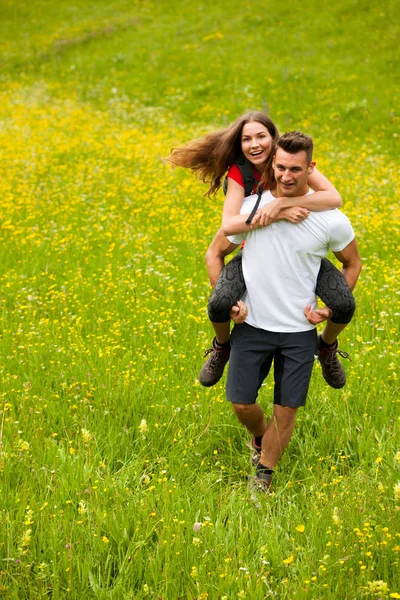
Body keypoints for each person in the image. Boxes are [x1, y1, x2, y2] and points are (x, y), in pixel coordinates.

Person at [166, 111, 355, 389]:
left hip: (300, 253)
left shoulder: (289, 160)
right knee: (218, 303)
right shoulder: (239, 172)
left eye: (261, 136)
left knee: (343, 304)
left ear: (273, 138)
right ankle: (222, 346)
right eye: (246, 139)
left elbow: (334, 197)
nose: (255, 144)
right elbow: (230, 224)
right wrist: (275, 213)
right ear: (239, 144)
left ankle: (326, 347)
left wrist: (282, 204)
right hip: (254, 248)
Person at [224, 131, 362, 491]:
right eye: (281, 167)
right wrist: (231, 301)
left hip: (299, 331)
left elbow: (352, 263)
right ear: (273, 164)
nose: (286, 176)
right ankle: (260, 438)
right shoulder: (253, 206)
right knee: (241, 403)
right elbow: (220, 248)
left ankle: (264, 475)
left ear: (311, 168)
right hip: (252, 324)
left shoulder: (331, 219)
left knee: (286, 411)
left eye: (296, 169)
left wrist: (330, 309)